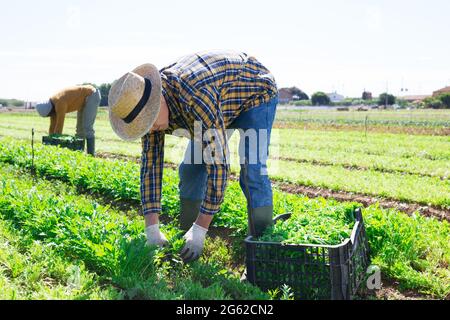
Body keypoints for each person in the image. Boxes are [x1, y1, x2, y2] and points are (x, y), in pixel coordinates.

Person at [108, 51, 278, 262]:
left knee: (253, 170)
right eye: (143, 125)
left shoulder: (195, 96)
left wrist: (201, 230)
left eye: (150, 119)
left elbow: (218, 166)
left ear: (158, 99)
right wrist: (151, 228)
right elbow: (150, 167)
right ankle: (187, 242)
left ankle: (261, 250)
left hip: (254, 92)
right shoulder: (146, 109)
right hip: (218, 103)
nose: (150, 129)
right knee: (190, 169)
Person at [36, 84, 101, 156]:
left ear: (50, 110)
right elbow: (52, 126)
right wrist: (50, 138)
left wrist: (54, 145)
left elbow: (59, 127)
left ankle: (91, 155)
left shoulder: (59, 102)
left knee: (87, 127)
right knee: (79, 130)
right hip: (82, 100)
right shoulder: (52, 105)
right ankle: (79, 155)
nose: (50, 116)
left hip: (91, 95)